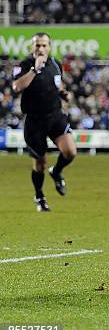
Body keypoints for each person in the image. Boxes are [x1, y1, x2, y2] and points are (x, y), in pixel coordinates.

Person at [11, 32, 77, 212]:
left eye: (43, 45)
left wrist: (63, 93)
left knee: (70, 151)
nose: (40, 48)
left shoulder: (55, 64)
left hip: (54, 115)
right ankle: (39, 196)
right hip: (34, 120)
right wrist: (35, 69)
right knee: (40, 163)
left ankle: (56, 172)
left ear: (49, 47)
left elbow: (58, 83)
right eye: (37, 45)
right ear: (32, 47)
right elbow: (17, 86)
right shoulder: (23, 65)